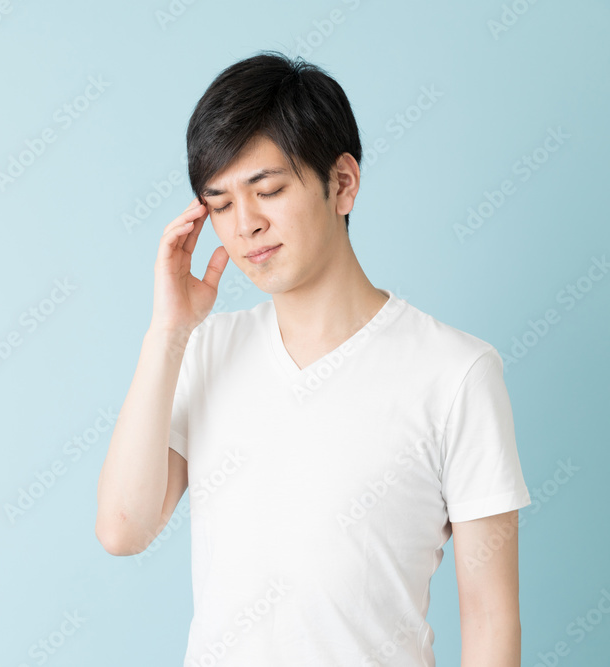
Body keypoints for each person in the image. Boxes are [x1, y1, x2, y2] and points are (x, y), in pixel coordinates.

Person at [94, 51, 531, 666]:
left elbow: (490, 617)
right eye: (219, 204)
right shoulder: (207, 349)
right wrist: (169, 330)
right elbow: (122, 529)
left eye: (268, 190)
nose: (245, 224)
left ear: (343, 184)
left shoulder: (455, 372)